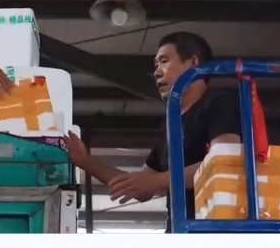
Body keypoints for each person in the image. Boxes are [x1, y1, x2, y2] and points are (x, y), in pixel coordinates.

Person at [67, 32, 241, 228]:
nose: (157, 72)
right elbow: (141, 187)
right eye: (156, 65)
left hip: (216, 228)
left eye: (164, 61)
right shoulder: (170, 125)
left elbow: (226, 162)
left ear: (193, 63)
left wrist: (158, 181)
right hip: (180, 229)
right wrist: (84, 160)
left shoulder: (218, 102)